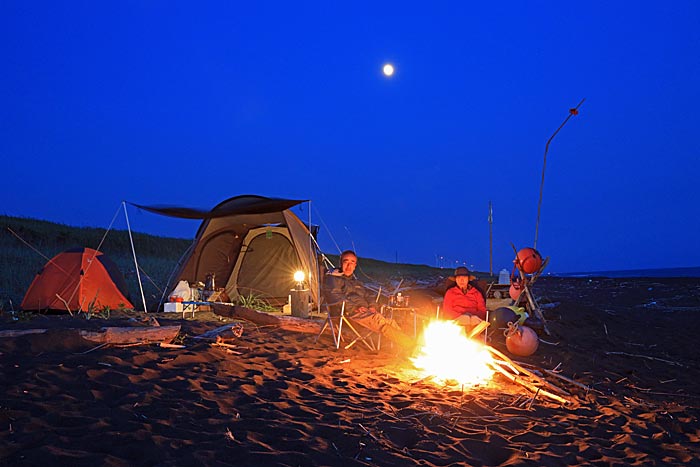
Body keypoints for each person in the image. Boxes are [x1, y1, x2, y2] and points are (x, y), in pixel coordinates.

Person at [323, 250, 414, 350]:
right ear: (341, 263)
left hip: (365, 312)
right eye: (346, 262)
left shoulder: (356, 282)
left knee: (390, 322)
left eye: (352, 263)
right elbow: (334, 296)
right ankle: (411, 347)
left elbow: (368, 295)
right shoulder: (332, 279)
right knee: (379, 322)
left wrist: (372, 306)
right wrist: (355, 307)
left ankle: (407, 346)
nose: (349, 266)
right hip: (347, 314)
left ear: (355, 265)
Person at [442, 266, 488, 332]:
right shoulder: (450, 292)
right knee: (463, 320)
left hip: (474, 321)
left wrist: (472, 315)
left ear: (468, 279)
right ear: (456, 280)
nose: (461, 280)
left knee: (476, 321)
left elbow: (482, 310)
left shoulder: (476, 293)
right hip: (456, 321)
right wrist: (461, 315)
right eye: (459, 278)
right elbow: (447, 311)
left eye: (464, 277)